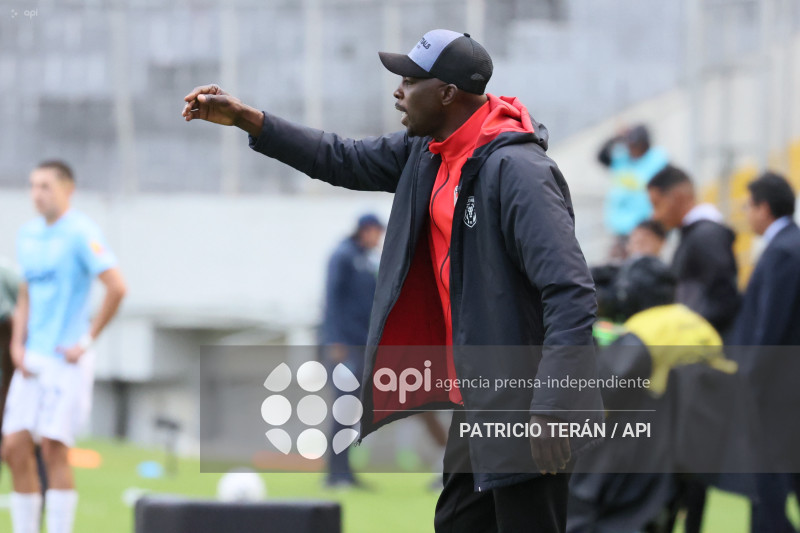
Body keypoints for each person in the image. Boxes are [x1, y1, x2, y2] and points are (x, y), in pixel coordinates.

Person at [183, 29, 602, 532]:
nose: (398, 90)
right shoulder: (428, 151)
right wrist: (248, 119)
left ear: (447, 93)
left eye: (410, 79)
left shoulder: (519, 171)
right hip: (482, 398)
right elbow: (340, 157)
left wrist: (553, 405)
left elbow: (571, 293)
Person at [1, 161, 127, 533]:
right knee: (13, 447)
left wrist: (86, 341)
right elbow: (26, 295)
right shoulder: (28, 235)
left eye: (45, 186)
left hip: (65, 360)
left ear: (66, 189)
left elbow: (117, 287)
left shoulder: (81, 233)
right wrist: (17, 345)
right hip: (32, 359)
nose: (37, 193)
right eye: (33, 186)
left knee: (55, 448)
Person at [733, 171, 800, 533]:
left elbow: (768, 329)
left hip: (778, 392)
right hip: (785, 389)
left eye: (748, 206)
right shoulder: (787, 245)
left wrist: (749, 381)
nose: (746, 214)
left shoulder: (784, 251)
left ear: (765, 208)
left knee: (766, 485)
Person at [321, 213, 384, 488]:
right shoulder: (343, 256)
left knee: (352, 410)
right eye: (376, 233)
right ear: (366, 230)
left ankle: (345, 472)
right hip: (344, 346)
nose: (378, 239)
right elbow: (331, 300)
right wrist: (336, 341)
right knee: (343, 407)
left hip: (360, 345)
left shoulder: (366, 259)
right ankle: (335, 474)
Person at [647, 164, 740, 338]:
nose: (655, 216)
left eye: (657, 205)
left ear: (678, 197)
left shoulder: (706, 235)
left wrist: (684, 331)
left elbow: (723, 299)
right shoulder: (694, 234)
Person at [597, 124, 669, 261]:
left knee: (643, 266)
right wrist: (615, 138)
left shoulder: (657, 160)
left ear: (645, 144)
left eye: (635, 145)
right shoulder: (622, 158)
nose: (632, 148)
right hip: (620, 228)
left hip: (644, 227)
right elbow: (601, 157)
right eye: (629, 144)